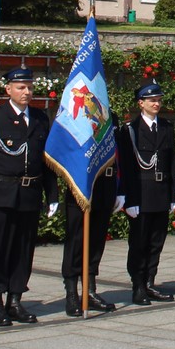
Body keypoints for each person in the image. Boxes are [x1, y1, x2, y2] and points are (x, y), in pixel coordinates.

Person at [0, 68, 58, 327]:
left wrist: (52, 194)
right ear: (8, 89)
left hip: (30, 194)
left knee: (23, 249)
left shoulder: (40, 118)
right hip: (2, 194)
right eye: (20, 87)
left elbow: (46, 160)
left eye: (29, 87)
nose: (26, 92)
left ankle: (16, 299)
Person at [59, 100, 122, 316]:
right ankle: (71, 293)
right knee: (76, 239)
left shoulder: (110, 116)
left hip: (105, 185)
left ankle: (90, 289)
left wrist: (120, 189)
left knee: (96, 239)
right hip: (82, 185)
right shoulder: (74, 116)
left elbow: (119, 154)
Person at [121, 83, 175, 305]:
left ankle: (150, 282)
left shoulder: (166, 127)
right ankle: (138, 286)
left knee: (156, 242)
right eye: (152, 100)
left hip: (161, 192)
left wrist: (173, 195)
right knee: (139, 243)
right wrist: (129, 199)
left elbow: (171, 163)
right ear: (141, 103)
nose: (156, 104)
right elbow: (126, 167)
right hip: (141, 193)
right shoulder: (130, 130)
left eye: (159, 100)